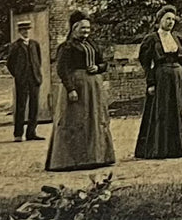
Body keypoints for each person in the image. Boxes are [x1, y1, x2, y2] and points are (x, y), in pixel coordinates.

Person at [46, 11, 116, 172]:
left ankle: (97, 156)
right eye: (82, 28)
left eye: (88, 28)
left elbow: (104, 63)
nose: (86, 31)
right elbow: (62, 69)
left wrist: (98, 67)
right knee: (77, 121)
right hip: (77, 86)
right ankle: (73, 160)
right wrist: (71, 89)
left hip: (94, 87)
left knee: (95, 119)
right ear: (74, 28)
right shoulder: (67, 47)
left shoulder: (92, 44)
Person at [134, 5, 182, 160]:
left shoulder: (178, 39)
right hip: (161, 80)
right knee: (162, 111)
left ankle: (180, 148)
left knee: (179, 111)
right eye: (167, 19)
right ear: (159, 20)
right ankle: (160, 148)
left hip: (178, 80)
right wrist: (151, 83)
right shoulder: (152, 39)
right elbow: (146, 63)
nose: (170, 22)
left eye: (173, 20)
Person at [6, 20, 45, 142]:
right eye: (23, 30)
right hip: (22, 80)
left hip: (34, 79)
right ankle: (18, 134)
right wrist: (18, 74)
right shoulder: (15, 46)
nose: (26, 32)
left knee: (34, 106)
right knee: (21, 106)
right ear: (19, 31)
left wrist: (37, 74)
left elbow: (38, 60)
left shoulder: (35, 44)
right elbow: (10, 63)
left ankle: (31, 132)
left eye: (27, 30)